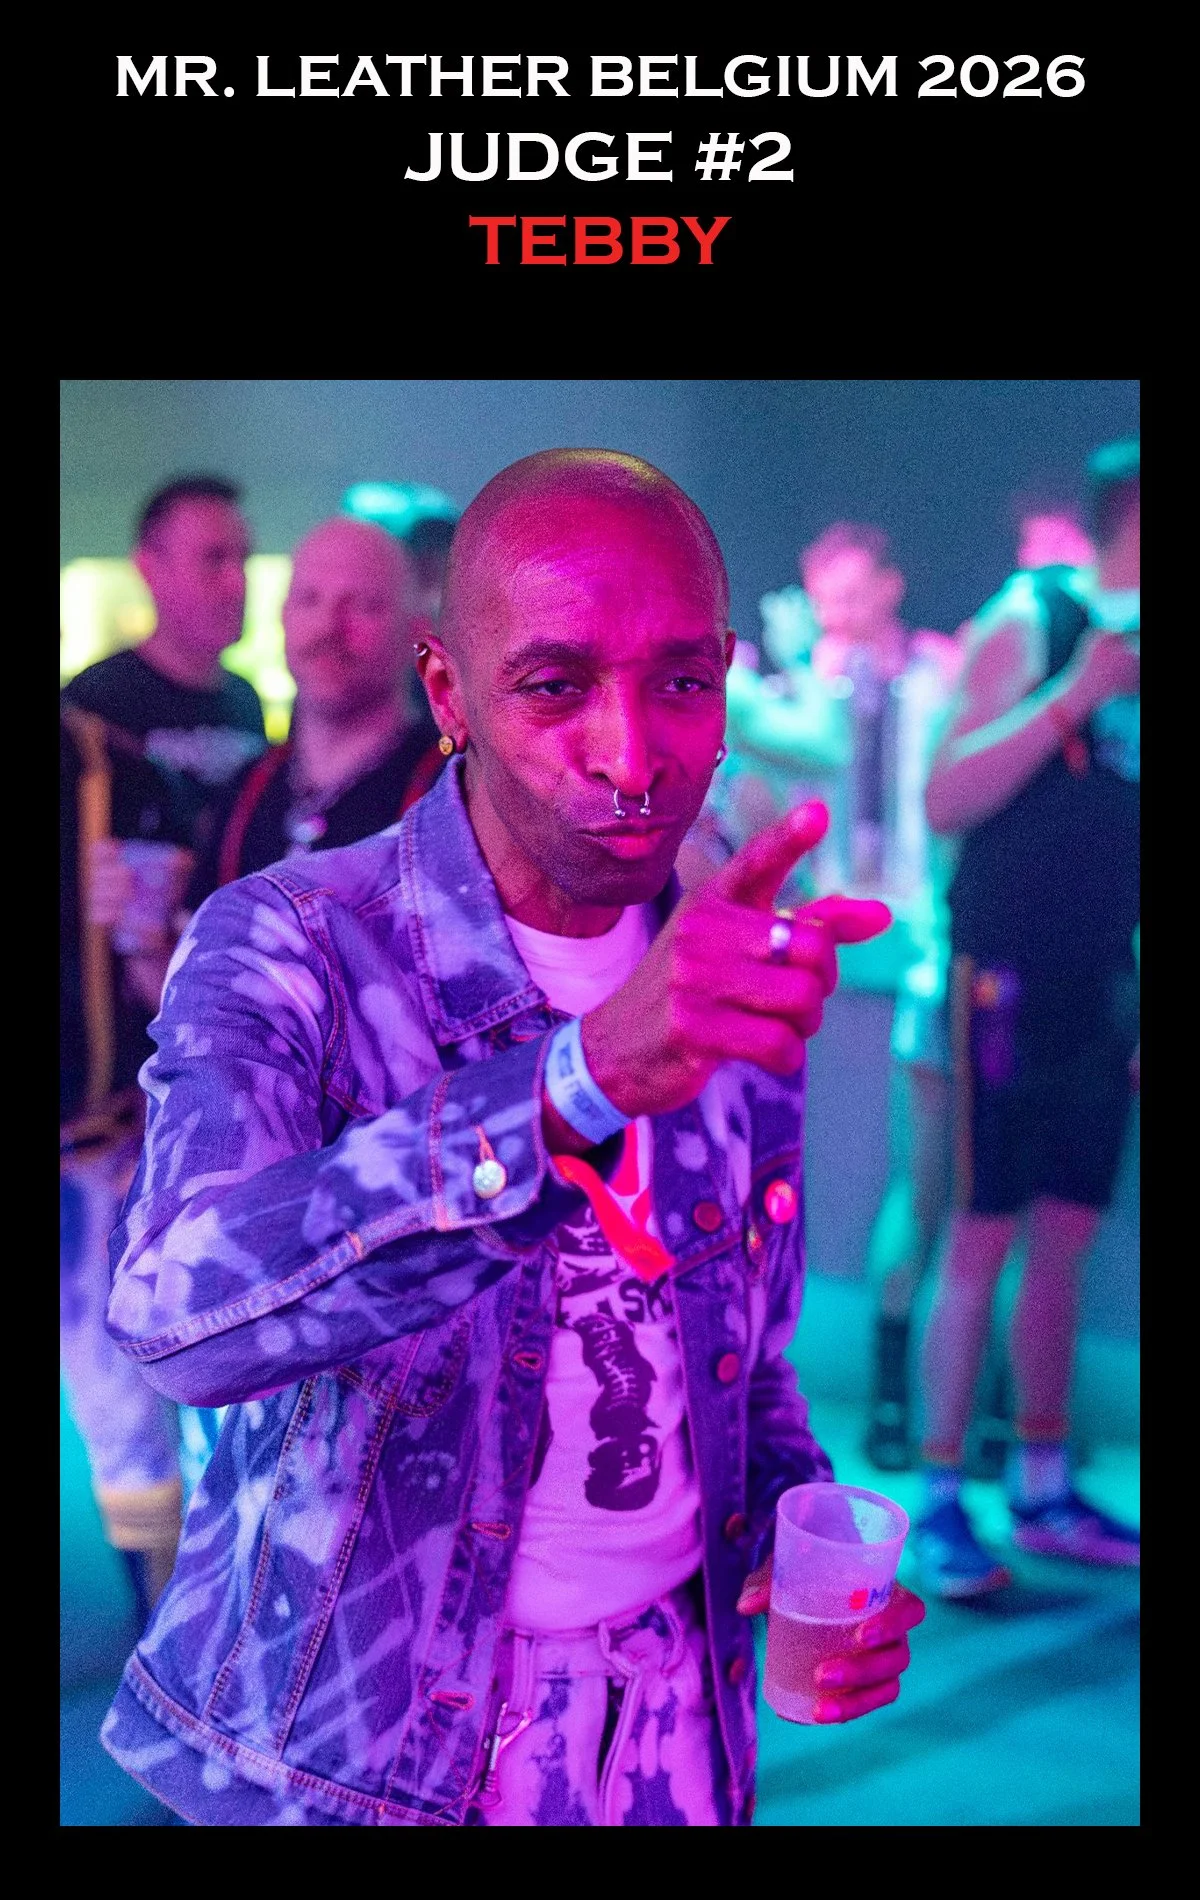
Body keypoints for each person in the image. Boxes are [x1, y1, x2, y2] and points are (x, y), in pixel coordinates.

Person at [100, 448, 923, 1828]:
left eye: (682, 683)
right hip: (360, 1756)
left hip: (667, 1732)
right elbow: (178, 1320)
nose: (632, 756)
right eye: (554, 685)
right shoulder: (296, 944)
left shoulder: (719, 958)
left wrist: (794, 1526)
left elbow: (744, 1355)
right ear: (449, 692)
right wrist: (569, 1088)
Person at [912, 441, 1140, 1597]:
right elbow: (943, 796)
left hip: (1104, 988)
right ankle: (939, 1500)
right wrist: (1076, 697)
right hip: (1001, 976)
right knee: (980, 1235)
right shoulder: (1036, 619)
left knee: (1066, 1238)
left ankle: (1044, 1487)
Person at [60, 704, 193, 1624]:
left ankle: (160, 1635)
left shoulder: (112, 765)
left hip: (92, 1144)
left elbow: (168, 989)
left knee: (125, 1417)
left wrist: (145, 933)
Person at [187, 515, 444, 898]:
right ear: (283, 617)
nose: (328, 626)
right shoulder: (244, 794)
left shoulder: (453, 794)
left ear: (417, 634)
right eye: (309, 599)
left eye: (363, 605)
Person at [62, 475, 267, 845]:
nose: (237, 583)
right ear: (149, 568)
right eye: (213, 559)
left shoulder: (245, 700)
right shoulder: (92, 702)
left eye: (243, 559)